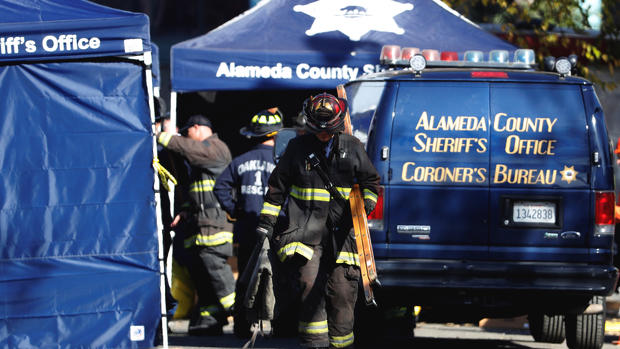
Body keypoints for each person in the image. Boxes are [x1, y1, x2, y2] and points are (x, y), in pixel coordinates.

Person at [255, 93, 380, 348]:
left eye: (328, 131)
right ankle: (314, 344)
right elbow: (277, 188)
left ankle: (341, 344)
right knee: (309, 288)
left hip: (344, 236)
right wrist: (266, 223)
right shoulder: (297, 149)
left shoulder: (353, 147)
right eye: (318, 130)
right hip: (304, 233)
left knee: (343, 293)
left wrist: (364, 206)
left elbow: (371, 183)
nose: (323, 135)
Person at [157, 114, 236, 335]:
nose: (185, 138)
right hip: (198, 224)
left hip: (215, 225)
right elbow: (197, 192)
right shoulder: (198, 159)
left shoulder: (215, 149)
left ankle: (239, 310)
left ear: (198, 128)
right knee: (200, 271)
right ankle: (211, 317)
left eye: (186, 133)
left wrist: (165, 136)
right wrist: (184, 210)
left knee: (214, 265)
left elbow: (190, 149)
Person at [213, 107, 283, 337]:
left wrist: (234, 210)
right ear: (276, 134)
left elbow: (220, 187)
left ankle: (242, 327)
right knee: (279, 277)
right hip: (278, 231)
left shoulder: (240, 161)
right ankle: (282, 327)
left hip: (247, 230)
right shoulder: (284, 163)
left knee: (245, 277)